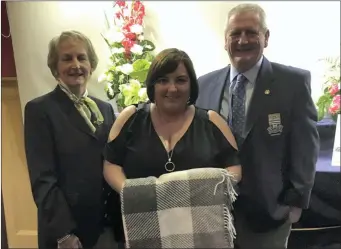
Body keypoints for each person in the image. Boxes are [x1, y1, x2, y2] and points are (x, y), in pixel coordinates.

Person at [195, 3, 319, 249]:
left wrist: (294, 203)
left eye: (252, 32)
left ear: (266, 37)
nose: (243, 40)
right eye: (235, 33)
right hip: (214, 215)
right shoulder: (204, 85)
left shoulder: (293, 83)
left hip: (269, 215)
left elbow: (305, 146)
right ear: (225, 40)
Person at [102, 48, 242, 243]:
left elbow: (234, 168)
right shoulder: (130, 118)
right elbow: (111, 164)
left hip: (200, 233)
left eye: (181, 80)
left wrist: (199, 190)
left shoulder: (212, 121)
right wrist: (134, 193)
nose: (172, 88)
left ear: (191, 85)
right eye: (163, 80)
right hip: (141, 230)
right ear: (152, 84)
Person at [24, 31, 117, 249]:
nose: (76, 65)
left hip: (104, 229)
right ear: (55, 68)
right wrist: (63, 234)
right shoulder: (40, 110)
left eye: (81, 57)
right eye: (67, 58)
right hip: (68, 234)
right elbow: (42, 179)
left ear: (91, 65)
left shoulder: (105, 108)